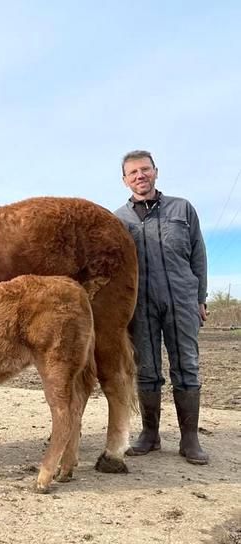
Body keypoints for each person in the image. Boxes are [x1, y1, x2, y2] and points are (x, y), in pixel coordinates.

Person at [114, 150, 209, 465]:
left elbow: (198, 254)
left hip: (182, 299)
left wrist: (200, 298)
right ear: (124, 179)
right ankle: (150, 434)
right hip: (140, 304)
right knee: (147, 370)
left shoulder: (182, 209)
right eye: (133, 173)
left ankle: (190, 439)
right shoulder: (118, 219)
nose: (140, 176)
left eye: (145, 170)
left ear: (155, 171)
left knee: (187, 366)